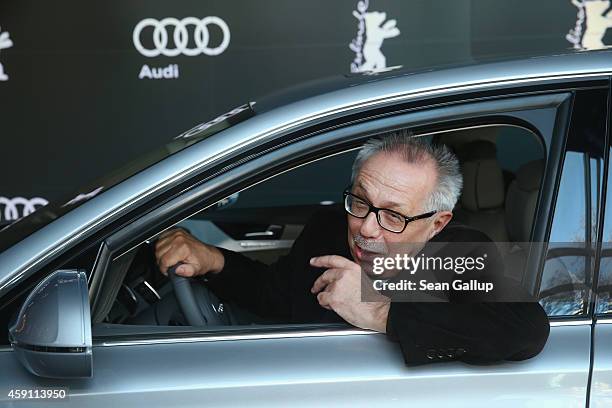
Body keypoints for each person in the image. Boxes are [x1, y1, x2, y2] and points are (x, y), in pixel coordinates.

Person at [154, 130, 550, 366]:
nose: (365, 228)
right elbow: (279, 297)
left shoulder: (459, 254)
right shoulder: (328, 228)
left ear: (436, 223)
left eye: (394, 216)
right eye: (360, 202)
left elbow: (524, 330)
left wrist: (380, 311)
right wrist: (215, 261)